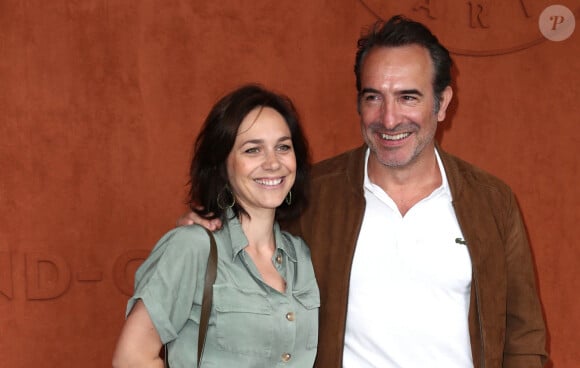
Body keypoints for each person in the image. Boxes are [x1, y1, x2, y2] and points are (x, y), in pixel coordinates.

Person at [178, 16, 548, 368]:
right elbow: (242, 246)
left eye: (408, 97)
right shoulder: (309, 195)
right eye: (373, 97)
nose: (388, 119)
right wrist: (210, 226)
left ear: (442, 103)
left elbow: (524, 336)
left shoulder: (491, 201)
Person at [113, 84, 319, 368]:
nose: (273, 163)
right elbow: (131, 358)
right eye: (252, 150)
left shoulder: (303, 257)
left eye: (283, 147)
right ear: (222, 165)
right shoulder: (192, 247)